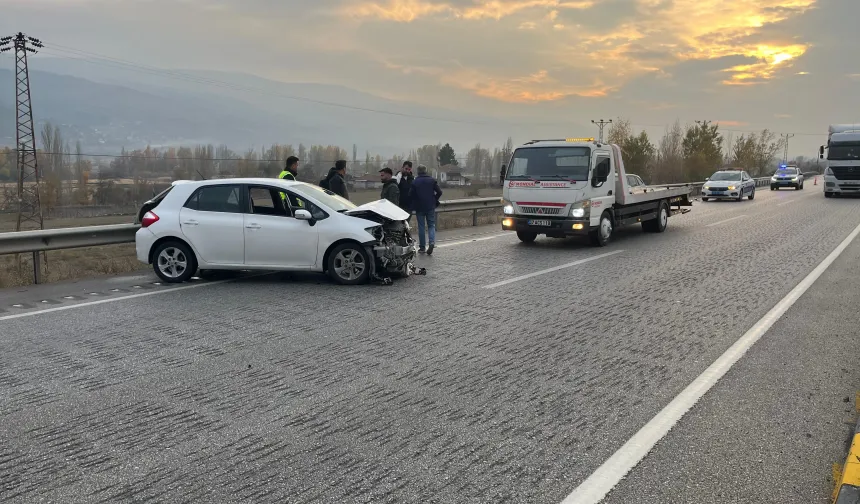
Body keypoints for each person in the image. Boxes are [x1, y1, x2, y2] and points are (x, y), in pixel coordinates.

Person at [408, 164, 442, 255]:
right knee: (431, 225)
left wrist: (414, 202)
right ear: (426, 171)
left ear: (418, 171)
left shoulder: (415, 182)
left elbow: (410, 195)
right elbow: (439, 192)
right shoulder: (431, 180)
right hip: (430, 206)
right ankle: (431, 242)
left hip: (419, 207)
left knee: (421, 227)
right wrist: (434, 199)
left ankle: (422, 247)